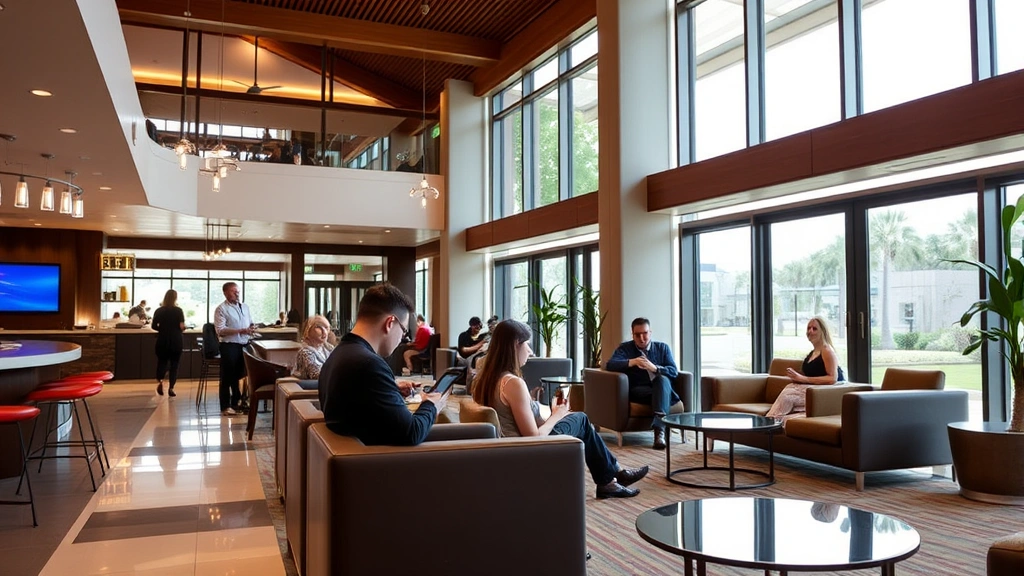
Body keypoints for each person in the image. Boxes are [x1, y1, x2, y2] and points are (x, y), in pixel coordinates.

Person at [473, 320, 649, 499]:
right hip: (525, 452)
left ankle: (612, 478)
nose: (530, 351)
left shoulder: (488, 379)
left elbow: (515, 420)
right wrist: (556, 416)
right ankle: (612, 478)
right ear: (514, 346)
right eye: (527, 344)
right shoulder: (512, 383)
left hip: (510, 449)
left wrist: (546, 411)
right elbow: (532, 438)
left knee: (577, 419)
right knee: (580, 419)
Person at [318, 283, 448, 445]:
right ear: (390, 323)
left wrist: (390, 388)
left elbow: (359, 405)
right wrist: (431, 404)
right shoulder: (369, 364)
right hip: (377, 463)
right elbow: (411, 433)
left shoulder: (339, 354)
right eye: (403, 330)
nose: (402, 337)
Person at [607, 317, 680, 450]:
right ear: (632, 334)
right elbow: (610, 365)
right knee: (662, 392)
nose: (642, 338)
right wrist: (632, 362)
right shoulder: (625, 348)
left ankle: (659, 431)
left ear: (650, 332)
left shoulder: (662, 348)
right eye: (637, 335)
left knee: (662, 379)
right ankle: (660, 433)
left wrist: (656, 368)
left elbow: (674, 372)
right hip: (640, 391)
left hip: (661, 389)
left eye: (645, 333)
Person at [766, 316, 844, 421]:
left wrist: (803, 379)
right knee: (789, 389)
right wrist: (796, 377)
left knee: (788, 396)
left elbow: (832, 378)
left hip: (825, 394)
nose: (810, 331)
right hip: (812, 390)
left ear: (822, 332)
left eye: (814, 329)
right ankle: (775, 420)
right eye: (808, 328)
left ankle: (771, 420)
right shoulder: (813, 353)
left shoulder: (827, 350)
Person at [214, 282, 255, 417]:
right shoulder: (221, 309)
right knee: (227, 376)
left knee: (242, 375)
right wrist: (240, 330)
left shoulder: (245, 307)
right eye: (233, 291)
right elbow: (220, 330)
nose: (237, 294)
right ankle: (225, 406)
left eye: (238, 291)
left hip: (244, 344)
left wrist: (251, 328)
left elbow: (249, 322)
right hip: (229, 345)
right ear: (225, 293)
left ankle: (239, 401)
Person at [152, 289, 185, 397]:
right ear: (175, 298)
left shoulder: (159, 311)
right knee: (175, 364)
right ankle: (171, 388)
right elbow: (181, 326)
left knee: (162, 362)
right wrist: (182, 328)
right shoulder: (178, 311)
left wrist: (162, 329)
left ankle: (161, 382)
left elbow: (153, 326)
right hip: (176, 340)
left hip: (162, 340)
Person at [293, 315, 335, 380]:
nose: (324, 332)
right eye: (318, 327)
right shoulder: (305, 352)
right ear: (308, 331)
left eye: (326, 327)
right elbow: (316, 374)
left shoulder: (329, 348)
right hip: (311, 388)